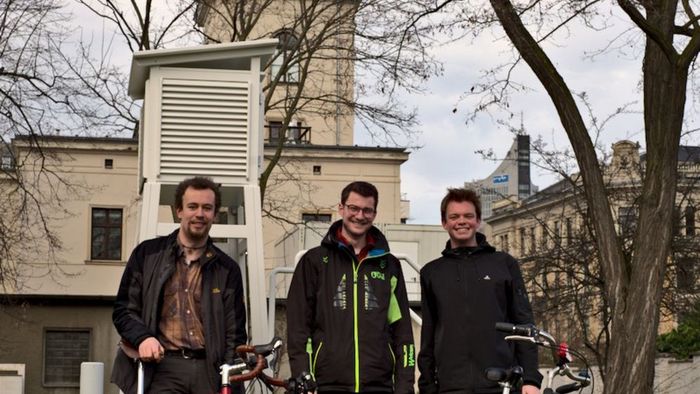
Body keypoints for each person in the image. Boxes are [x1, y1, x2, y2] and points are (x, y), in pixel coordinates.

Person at [111, 177, 247, 394]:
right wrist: (143, 338)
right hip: (162, 369)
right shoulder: (147, 255)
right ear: (179, 211)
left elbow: (235, 333)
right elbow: (123, 311)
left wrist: (229, 379)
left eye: (207, 208)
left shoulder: (227, 269)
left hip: (209, 372)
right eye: (192, 206)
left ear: (214, 213)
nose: (199, 214)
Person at [287, 181, 415, 394]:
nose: (359, 215)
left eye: (367, 210)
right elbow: (298, 328)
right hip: (326, 385)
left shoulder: (389, 265)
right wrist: (303, 376)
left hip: (379, 387)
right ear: (341, 209)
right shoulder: (315, 261)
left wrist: (405, 386)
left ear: (374, 214)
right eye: (353, 208)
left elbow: (403, 334)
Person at [418, 188, 542, 394]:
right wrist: (427, 386)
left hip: (502, 383)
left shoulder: (504, 264)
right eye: (454, 216)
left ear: (478, 220)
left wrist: (531, 378)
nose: (462, 221)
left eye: (468, 215)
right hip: (451, 387)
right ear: (444, 223)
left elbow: (524, 323)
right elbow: (428, 334)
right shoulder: (432, 272)